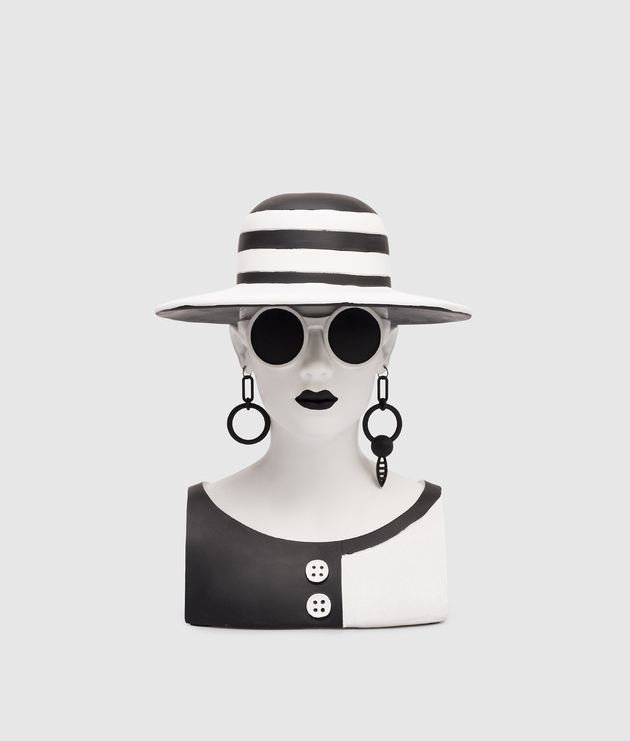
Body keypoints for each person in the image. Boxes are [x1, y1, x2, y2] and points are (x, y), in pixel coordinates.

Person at [156, 192, 471, 628]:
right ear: (241, 347)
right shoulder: (206, 518)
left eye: (352, 330)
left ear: (387, 347)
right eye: (279, 331)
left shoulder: (424, 520)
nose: (317, 367)